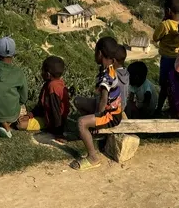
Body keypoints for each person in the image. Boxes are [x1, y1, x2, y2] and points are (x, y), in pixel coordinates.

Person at [72, 36, 125, 170]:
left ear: (100, 53)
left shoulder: (106, 76)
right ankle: (92, 129)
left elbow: (103, 99)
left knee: (81, 122)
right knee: (78, 101)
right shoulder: (109, 67)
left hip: (110, 115)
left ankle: (92, 157)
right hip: (108, 108)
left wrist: (98, 117)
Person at [17, 56, 70, 140]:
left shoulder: (53, 87)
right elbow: (41, 107)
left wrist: (59, 133)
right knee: (20, 120)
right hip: (47, 117)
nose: (41, 73)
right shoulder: (53, 83)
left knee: (20, 125)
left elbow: (56, 111)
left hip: (52, 123)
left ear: (48, 74)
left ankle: (52, 129)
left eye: (42, 70)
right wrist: (29, 115)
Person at [0, 37, 28, 139]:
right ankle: (7, 125)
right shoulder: (18, 72)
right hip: (11, 113)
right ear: (13, 54)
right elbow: (24, 96)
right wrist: (21, 103)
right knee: (22, 107)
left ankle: (0, 123)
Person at [153, 0, 179, 115]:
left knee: (164, 86)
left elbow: (155, 38)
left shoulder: (165, 25)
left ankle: (158, 109)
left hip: (167, 59)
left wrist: (163, 21)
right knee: (177, 84)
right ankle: (176, 109)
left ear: (168, 10)